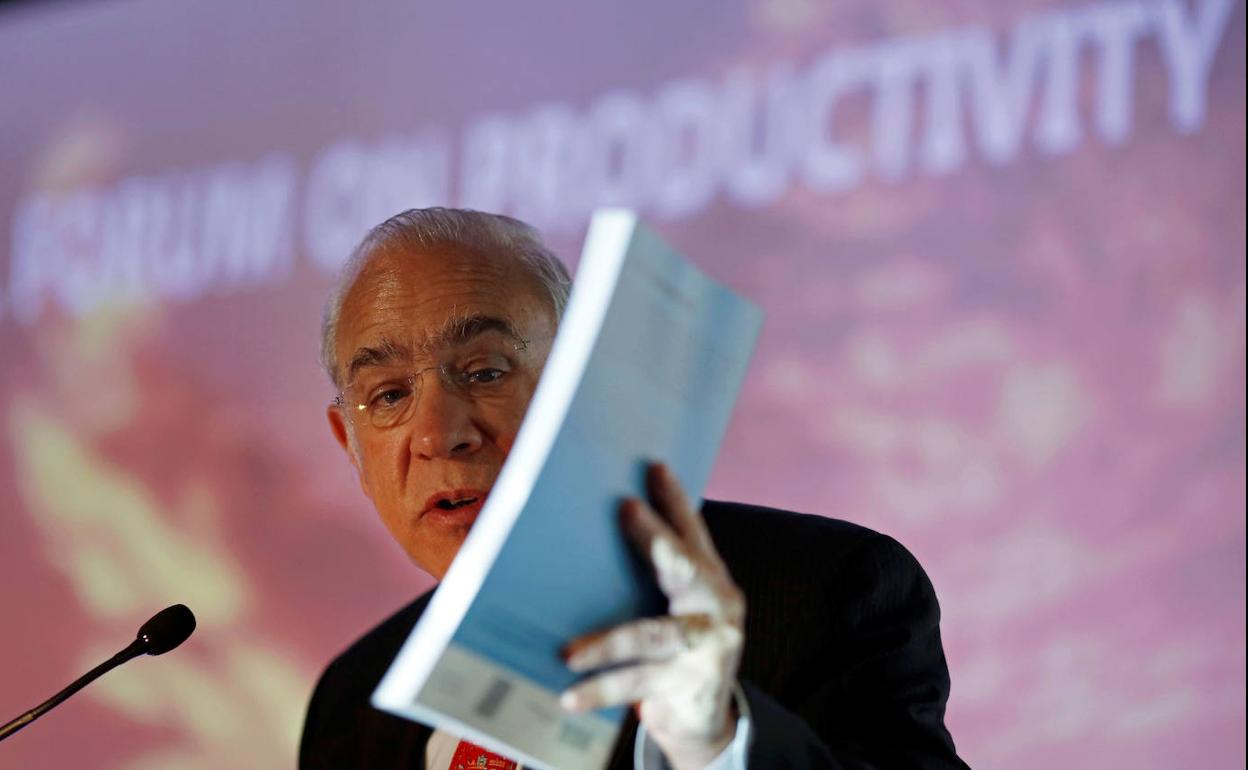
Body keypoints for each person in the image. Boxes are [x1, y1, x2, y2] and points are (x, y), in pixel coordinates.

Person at [299, 208, 970, 770]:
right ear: (349, 446)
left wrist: (714, 744)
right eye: (388, 395)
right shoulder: (353, 701)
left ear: (585, 385)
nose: (438, 434)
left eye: (484, 370)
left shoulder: (831, 592)